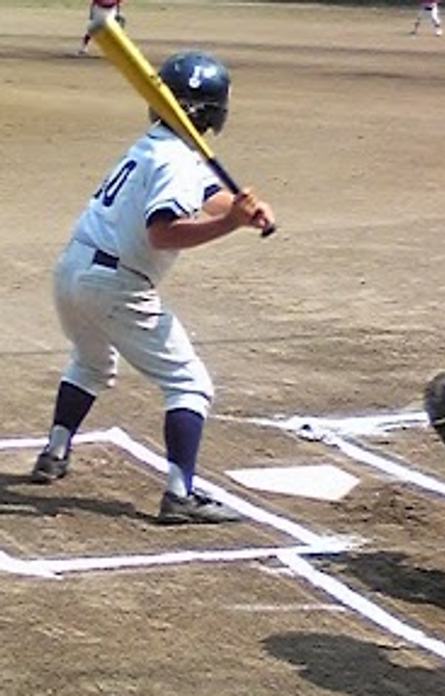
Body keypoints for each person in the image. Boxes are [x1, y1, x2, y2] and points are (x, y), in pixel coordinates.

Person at [32, 50, 275, 525]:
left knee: (91, 363)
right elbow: (161, 231)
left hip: (73, 270)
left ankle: (54, 453)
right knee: (190, 383)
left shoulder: (159, 144)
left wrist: (242, 212)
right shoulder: (175, 159)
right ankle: (179, 494)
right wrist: (230, 224)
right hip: (115, 284)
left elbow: (207, 193)